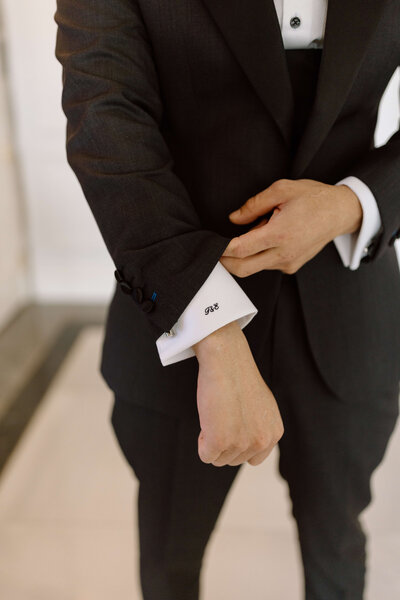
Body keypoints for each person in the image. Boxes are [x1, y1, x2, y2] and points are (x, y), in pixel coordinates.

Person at [54, 0, 400, 598]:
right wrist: (211, 324)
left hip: (346, 308)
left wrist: (353, 204)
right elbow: (104, 118)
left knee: (338, 545)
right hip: (173, 314)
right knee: (169, 556)